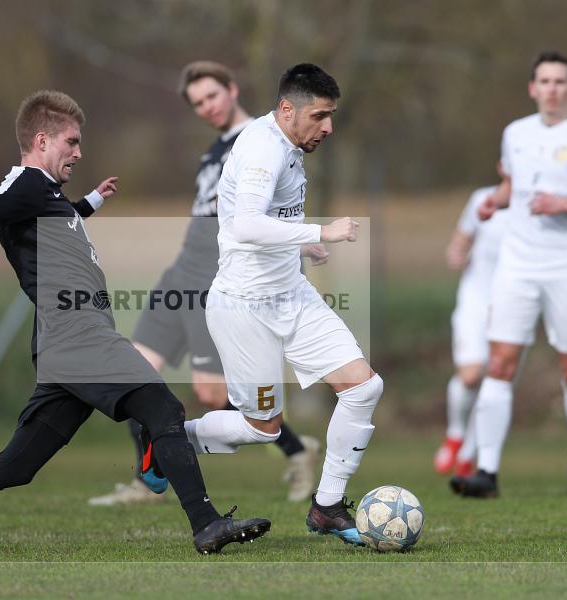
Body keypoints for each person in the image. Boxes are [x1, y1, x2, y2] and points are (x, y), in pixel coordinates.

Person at [0, 90, 270, 557]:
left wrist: (94, 200)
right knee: (164, 409)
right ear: (42, 140)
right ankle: (204, 523)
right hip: (79, 335)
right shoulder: (27, 186)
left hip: (64, 345)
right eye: (72, 142)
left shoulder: (45, 196)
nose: (79, 152)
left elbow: (56, 214)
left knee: (14, 468)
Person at [165, 63, 384, 548]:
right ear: (288, 110)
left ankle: (327, 506)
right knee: (262, 429)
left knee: (363, 388)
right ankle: (168, 440)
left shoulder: (287, 142)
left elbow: (261, 221)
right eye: (320, 116)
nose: (328, 127)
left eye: (331, 116)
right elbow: (245, 225)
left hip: (293, 295)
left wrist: (300, 246)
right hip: (244, 306)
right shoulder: (264, 147)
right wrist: (320, 231)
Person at [89, 61, 319, 507]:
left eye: (212, 96)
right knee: (133, 371)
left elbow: (277, 208)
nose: (206, 107)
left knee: (213, 394)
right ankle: (147, 479)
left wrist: (302, 243)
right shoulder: (215, 150)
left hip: (217, 274)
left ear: (232, 89)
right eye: (197, 103)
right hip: (183, 269)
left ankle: (295, 448)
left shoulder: (263, 138)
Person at [451, 51, 567, 498]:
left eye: (560, 82)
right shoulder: (515, 133)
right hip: (517, 265)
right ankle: (486, 473)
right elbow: (517, 187)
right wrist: (497, 199)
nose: (551, 89)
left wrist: (566, 203)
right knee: (499, 365)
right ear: (532, 88)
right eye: (544, 81)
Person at [433, 168, 508, 478]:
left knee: (495, 381)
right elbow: (459, 244)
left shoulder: (537, 206)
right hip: (475, 302)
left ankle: (469, 454)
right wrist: (456, 255)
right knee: (471, 374)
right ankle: (455, 435)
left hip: (512, 308)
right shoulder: (482, 199)